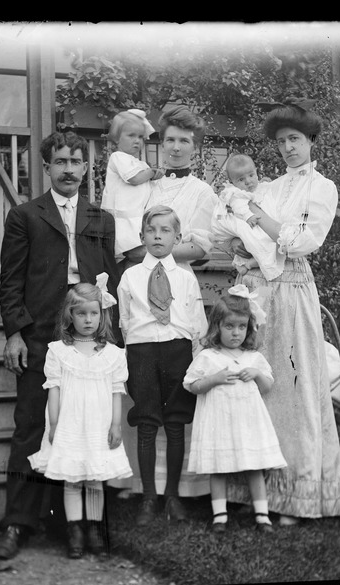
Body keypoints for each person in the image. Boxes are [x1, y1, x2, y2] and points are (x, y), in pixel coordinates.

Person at [0, 130, 120, 560]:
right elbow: (10, 279)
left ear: (86, 167)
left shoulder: (101, 219)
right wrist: (14, 333)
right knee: (33, 425)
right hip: (41, 335)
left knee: (87, 425)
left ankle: (82, 526)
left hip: (87, 337)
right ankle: (18, 522)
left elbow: (109, 281)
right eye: (60, 162)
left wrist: (108, 340)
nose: (69, 170)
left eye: (76, 161)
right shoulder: (25, 216)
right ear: (46, 167)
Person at [226, 98, 340, 524]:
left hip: (295, 291)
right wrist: (252, 226)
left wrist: (260, 221)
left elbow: (300, 242)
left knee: (295, 391)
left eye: (295, 139)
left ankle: (298, 496)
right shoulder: (270, 188)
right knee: (260, 386)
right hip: (259, 289)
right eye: (281, 142)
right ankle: (258, 495)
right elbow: (243, 232)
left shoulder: (322, 188)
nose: (288, 148)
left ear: (311, 141)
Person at [109, 105, 218, 499]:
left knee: (176, 391)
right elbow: (126, 225)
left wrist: (155, 255)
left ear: (195, 148)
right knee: (143, 388)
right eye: (169, 139)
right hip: (139, 288)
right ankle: (139, 484)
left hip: (177, 286)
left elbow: (201, 246)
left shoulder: (202, 192)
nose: (175, 147)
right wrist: (138, 254)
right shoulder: (146, 183)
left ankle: (180, 489)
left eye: (184, 142)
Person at [28, 277, 132, 558]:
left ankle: (95, 531)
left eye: (94, 313)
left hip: (99, 423)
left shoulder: (113, 354)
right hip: (69, 423)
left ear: (102, 315)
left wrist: (115, 424)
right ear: (70, 315)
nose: (88, 320)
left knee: (95, 478)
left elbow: (115, 391)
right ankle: (74, 531)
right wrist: (54, 424)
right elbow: (53, 390)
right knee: (72, 478)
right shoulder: (58, 352)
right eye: (81, 313)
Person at [117, 205, 207, 526]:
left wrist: (194, 361)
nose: (157, 235)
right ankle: (148, 497)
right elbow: (125, 321)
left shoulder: (185, 278)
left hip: (178, 352)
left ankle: (172, 495)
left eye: (165, 230)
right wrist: (134, 352)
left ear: (177, 237)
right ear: (141, 237)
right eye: (151, 230)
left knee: (175, 424)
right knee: (146, 424)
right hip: (142, 352)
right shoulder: (129, 276)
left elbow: (197, 323)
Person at [183, 286, 287, 532]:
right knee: (218, 467)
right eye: (229, 327)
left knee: (254, 466)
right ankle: (220, 516)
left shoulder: (253, 358)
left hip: (248, 423)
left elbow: (268, 385)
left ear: (249, 328)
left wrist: (257, 374)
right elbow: (192, 385)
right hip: (218, 423)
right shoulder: (208, 356)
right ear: (217, 326)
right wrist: (214, 379)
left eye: (241, 327)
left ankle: (262, 515)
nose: (236, 333)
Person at [100, 109, 164, 267]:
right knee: (138, 253)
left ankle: (122, 272)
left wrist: (155, 175)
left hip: (136, 217)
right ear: (116, 138)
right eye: (131, 135)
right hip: (121, 218)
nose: (137, 141)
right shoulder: (118, 158)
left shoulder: (140, 164)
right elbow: (134, 178)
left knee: (138, 259)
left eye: (141, 137)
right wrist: (151, 172)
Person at [211, 153, 281, 281]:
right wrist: (249, 217)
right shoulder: (236, 194)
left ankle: (249, 263)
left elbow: (268, 193)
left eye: (251, 175)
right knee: (258, 242)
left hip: (266, 227)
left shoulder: (261, 187)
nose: (248, 181)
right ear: (232, 182)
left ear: (256, 172)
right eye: (241, 180)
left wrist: (266, 183)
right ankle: (248, 264)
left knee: (265, 243)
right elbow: (239, 208)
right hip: (249, 222)